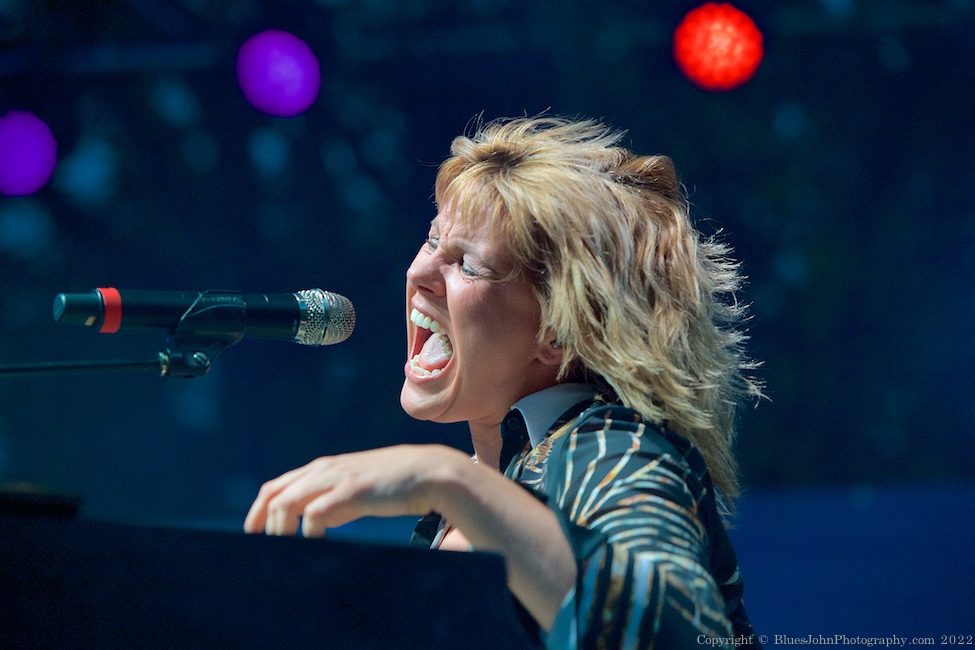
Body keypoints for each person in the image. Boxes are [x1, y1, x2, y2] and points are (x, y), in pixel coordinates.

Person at [244, 115, 763, 648]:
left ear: (558, 329)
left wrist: (446, 478)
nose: (419, 273)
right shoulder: (481, 484)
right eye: (432, 241)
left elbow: (675, 634)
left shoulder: (610, 445)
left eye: (468, 264)